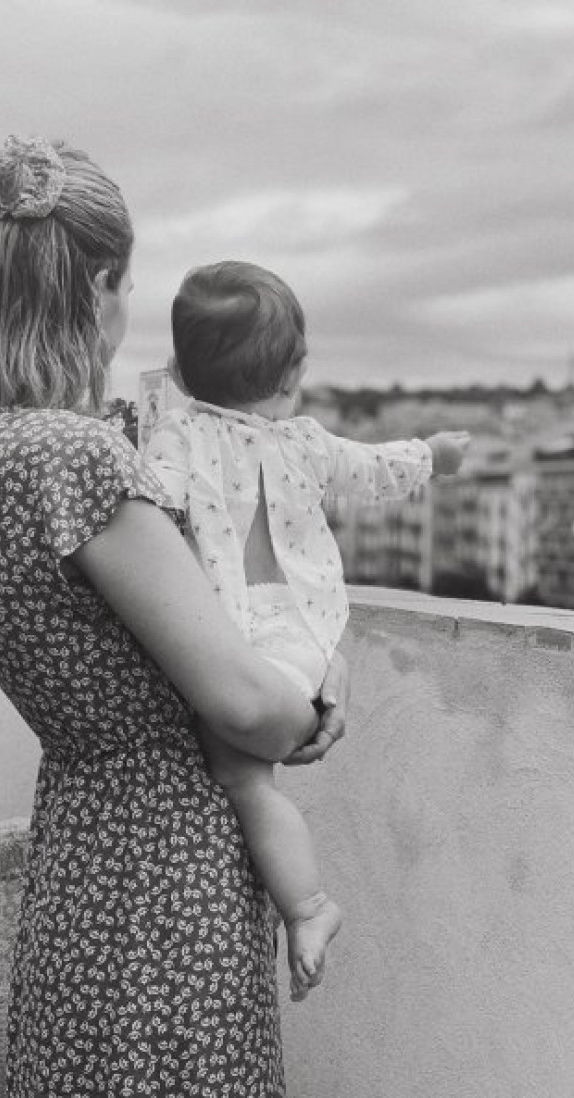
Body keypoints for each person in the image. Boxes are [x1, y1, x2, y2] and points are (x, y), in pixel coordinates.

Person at [0, 136, 348, 1098]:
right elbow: (242, 706)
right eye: (128, 283)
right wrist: (309, 703)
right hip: (164, 877)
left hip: (81, 856)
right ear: (98, 283)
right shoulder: (78, 457)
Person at [144, 260, 470, 1001]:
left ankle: (310, 905)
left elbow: (144, 509)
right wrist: (438, 457)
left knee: (240, 777)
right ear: (293, 376)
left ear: (177, 367)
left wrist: (166, 401)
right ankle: (307, 906)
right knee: (244, 774)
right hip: (300, 640)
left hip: (226, 636)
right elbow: (377, 468)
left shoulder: (176, 438)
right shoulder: (305, 442)